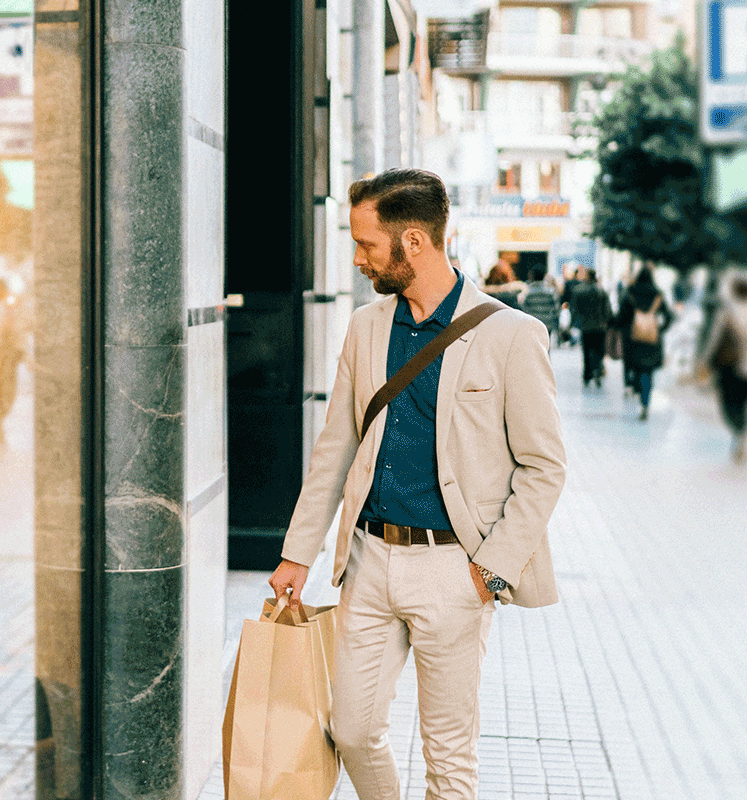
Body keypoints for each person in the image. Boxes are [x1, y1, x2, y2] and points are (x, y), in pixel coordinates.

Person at [267, 169, 566, 800]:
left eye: (367, 244)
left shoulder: (511, 336)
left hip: (454, 570)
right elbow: (335, 449)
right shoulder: (367, 327)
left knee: (449, 758)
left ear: (413, 241)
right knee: (350, 730)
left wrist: (492, 569)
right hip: (369, 560)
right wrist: (299, 551)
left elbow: (544, 466)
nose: (357, 258)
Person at [699, 274, 747, 463]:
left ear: (734, 291)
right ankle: (743, 437)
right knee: (743, 406)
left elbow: (715, 340)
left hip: (732, 368)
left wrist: (705, 361)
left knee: (728, 407)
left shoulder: (728, 312)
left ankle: (742, 435)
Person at [611, 268, 674, 420]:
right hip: (651, 340)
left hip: (633, 340)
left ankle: (638, 391)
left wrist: (618, 327)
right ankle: (645, 402)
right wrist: (659, 329)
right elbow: (669, 317)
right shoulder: (657, 294)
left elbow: (621, 317)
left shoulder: (630, 292)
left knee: (637, 369)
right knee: (648, 371)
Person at [567, 267, 612, 388]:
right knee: (599, 350)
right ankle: (597, 368)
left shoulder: (578, 290)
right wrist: (608, 321)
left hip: (585, 325)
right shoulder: (601, 290)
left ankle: (587, 374)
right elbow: (607, 309)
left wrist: (572, 323)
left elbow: (574, 309)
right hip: (600, 325)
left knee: (586, 350)